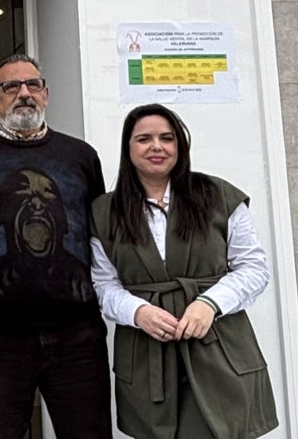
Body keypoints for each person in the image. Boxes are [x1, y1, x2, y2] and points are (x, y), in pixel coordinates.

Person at [0, 53, 111, 439]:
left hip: (78, 335)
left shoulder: (81, 157)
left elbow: (99, 237)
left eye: (32, 85)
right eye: (11, 87)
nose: (24, 94)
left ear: (46, 94)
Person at [90, 104, 278, 439]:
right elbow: (103, 284)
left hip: (217, 347)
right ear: (128, 148)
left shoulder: (218, 196)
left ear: (180, 145)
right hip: (148, 355)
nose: (156, 146)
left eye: (167, 138)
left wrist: (211, 303)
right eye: (144, 139)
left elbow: (253, 267)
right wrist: (138, 311)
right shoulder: (105, 212)